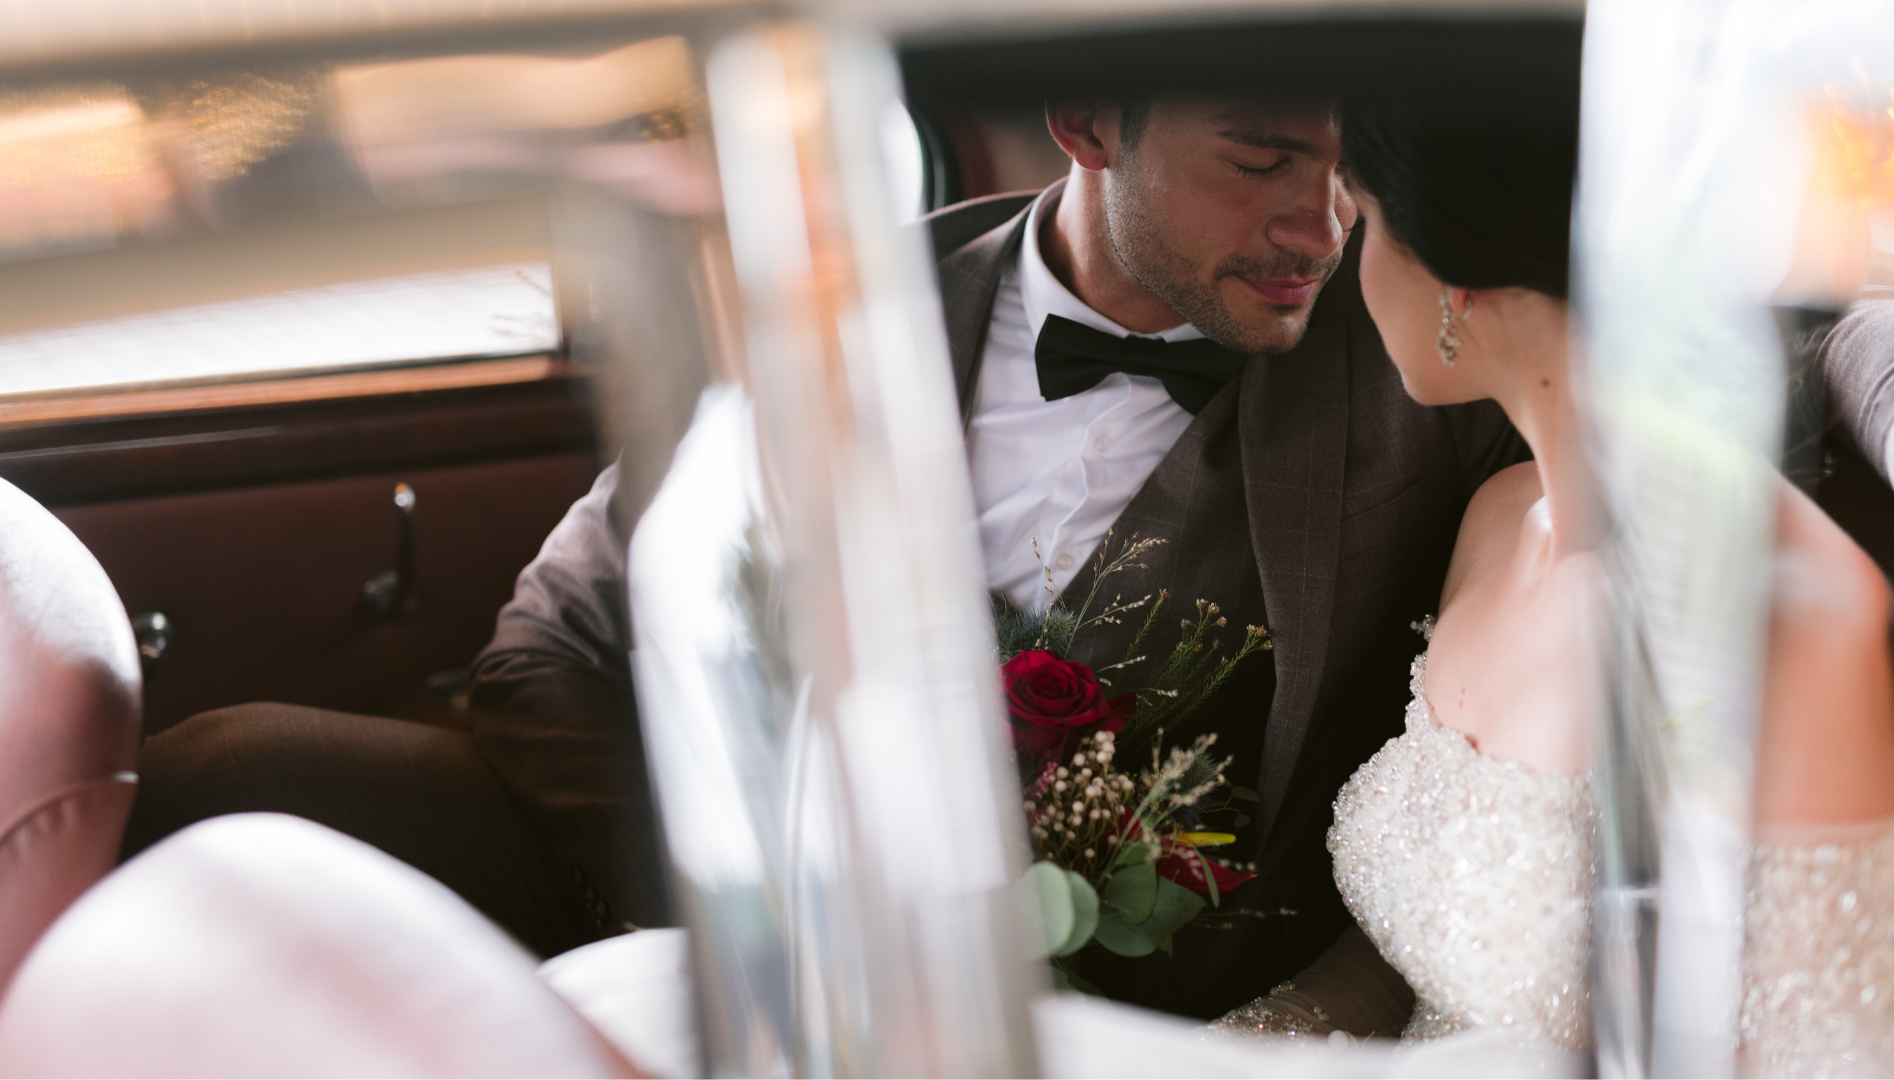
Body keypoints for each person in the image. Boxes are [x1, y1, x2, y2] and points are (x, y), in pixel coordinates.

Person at [120, 86, 1894, 1032]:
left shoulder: (1426, 349)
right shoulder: (848, 306)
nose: (1319, 226)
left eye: (1351, 177)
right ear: (1085, 126)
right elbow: (557, 638)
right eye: (1263, 159)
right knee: (230, 780)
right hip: (795, 919)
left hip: (1172, 983)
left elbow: (1725, 322)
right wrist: (763, 936)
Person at [1215, 89, 1894, 1074]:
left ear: (1456, 280)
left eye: (1361, 221)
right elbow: (1426, 960)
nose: (1348, 270)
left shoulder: (1780, 620)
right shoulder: (1496, 521)